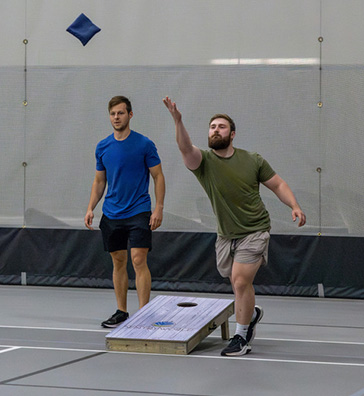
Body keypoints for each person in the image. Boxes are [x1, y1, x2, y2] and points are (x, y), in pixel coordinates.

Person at [163, 96, 306, 356]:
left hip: (255, 229)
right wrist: (178, 120)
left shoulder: (253, 160)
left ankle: (241, 337)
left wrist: (294, 206)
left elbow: (278, 185)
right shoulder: (203, 163)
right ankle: (249, 315)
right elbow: (185, 148)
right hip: (226, 235)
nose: (215, 130)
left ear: (233, 134)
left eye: (221, 127)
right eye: (212, 127)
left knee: (240, 282)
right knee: (236, 283)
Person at [85, 96, 165, 328]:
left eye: (121, 113)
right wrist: (91, 207)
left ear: (130, 115)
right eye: (113, 114)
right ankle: (122, 311)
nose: (116, 117)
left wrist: (158, 208)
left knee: (138, 259)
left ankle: (144, 313)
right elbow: (99, 181)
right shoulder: (103, 146)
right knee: (118, 262)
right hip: (112, 213)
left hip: (139, 210)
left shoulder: (144, 144)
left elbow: (158, 176)